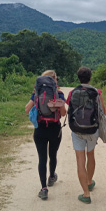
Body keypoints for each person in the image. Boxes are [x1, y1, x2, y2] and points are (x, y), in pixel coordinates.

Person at [66, 67, 106, 204]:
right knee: (91, 155)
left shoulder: (73, 92)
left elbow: (69, 108)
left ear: (78, 77)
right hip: (92, 130)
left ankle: (86, 193)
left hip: (77, 130)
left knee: (80, 160)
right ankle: (89, 181)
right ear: (90, 77)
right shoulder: (96, 92)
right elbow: (103, 112)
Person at [25, 70, 66, 200]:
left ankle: (43, 188)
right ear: (54, 80)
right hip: (54, 129)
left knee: (42, 158)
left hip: (40, 130)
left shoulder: (36, 94)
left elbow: (27, 109)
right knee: (52, 154)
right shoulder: (58, 94)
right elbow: (63, 113)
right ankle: (52, 176)